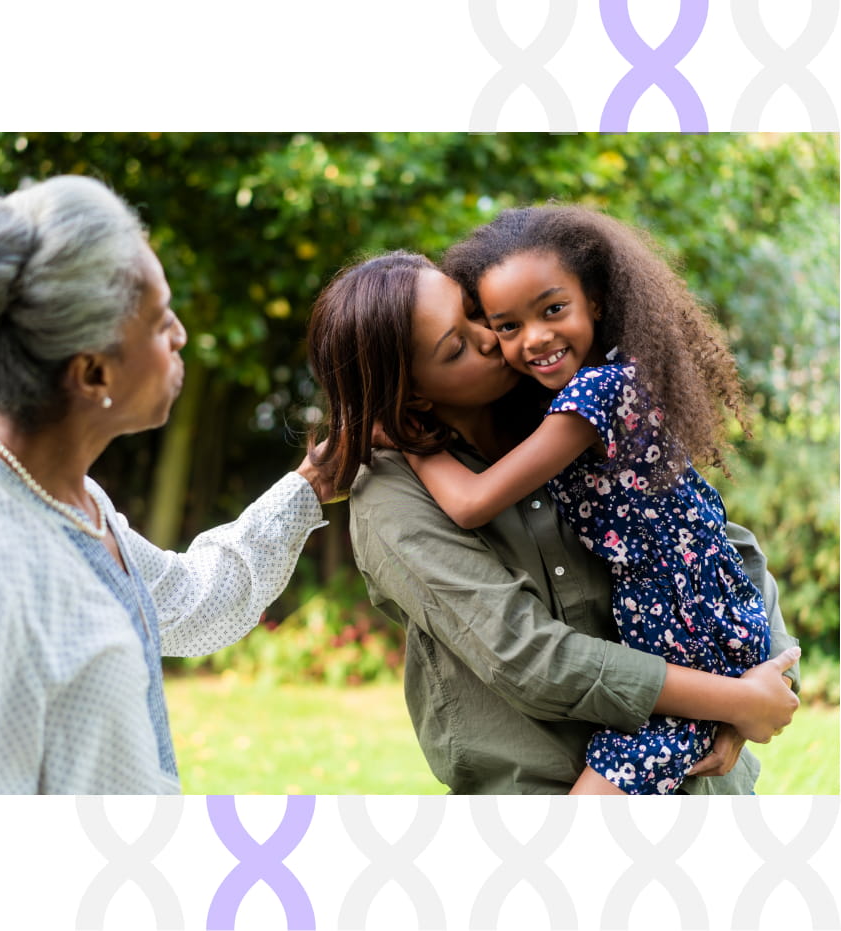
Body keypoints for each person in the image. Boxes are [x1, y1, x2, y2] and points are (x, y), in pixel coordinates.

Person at [0, 174, 339, 794]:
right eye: (159, 322)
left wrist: (312, 482)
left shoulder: (70, 498)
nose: (180, 335)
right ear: (93, 372)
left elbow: (192, 604)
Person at [306, 249, 800, 795]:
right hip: (549, 802)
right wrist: (733, 702)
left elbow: (720, 545)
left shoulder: (567, 407)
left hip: (705, 788)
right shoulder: (391, 498)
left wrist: (755, 694)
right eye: (457, 347)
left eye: (476, 313)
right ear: (413, 394)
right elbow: (527, 656)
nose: (492, 338)